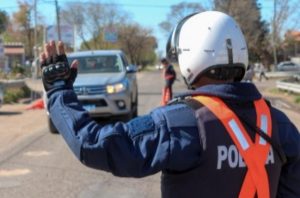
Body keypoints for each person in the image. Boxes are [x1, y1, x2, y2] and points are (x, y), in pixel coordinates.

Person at [40, 11, 300, 198]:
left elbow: (93, 145)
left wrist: (58, 90)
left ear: (190, 57)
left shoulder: (181, 122)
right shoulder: (278, 122)